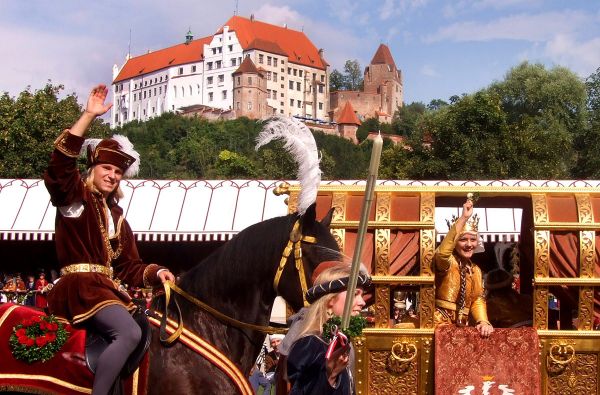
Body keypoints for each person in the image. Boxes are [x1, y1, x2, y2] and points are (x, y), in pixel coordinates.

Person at [43, 84, 175, 395]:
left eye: (118, 171)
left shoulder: (117, 217)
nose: (113, 175)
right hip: (79, 289)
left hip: (105, 289)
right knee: (128, 333)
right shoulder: (76, 199)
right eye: (106, 167)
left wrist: (157, 273)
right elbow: (59, 169)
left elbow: (129, 267)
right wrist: (88, 115)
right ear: (92, 169)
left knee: (147, 330)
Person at [286, 263, 370, 394]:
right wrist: (330, 376)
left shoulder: (341, 341)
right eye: (355, 294)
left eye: (362, 295)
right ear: (330, 300)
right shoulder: (309, 344)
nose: (362, 302)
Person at [434, 199, 493, 337]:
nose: (469, 244)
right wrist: (464, 218)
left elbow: (477, 299)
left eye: (472, 240)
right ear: (455, 242)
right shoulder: (448, 262)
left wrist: (483, 321)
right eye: (463, 240)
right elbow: (442, 254)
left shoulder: (475, 270)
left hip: (462, 326)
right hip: (438, 324)